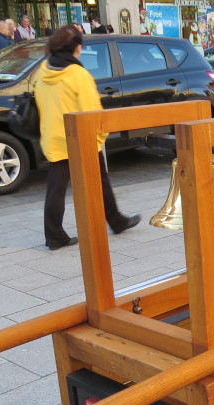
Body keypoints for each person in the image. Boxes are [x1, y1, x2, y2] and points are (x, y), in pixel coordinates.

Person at [34, 25, 140, 250]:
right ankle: (116, 221)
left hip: (54, 138)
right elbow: (92, 111)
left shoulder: (43, 70)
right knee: (100, 181)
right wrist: (99, 138)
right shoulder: (77, 74)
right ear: (77, 48)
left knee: (56, 189)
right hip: (81, 140)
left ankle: (55, 236)